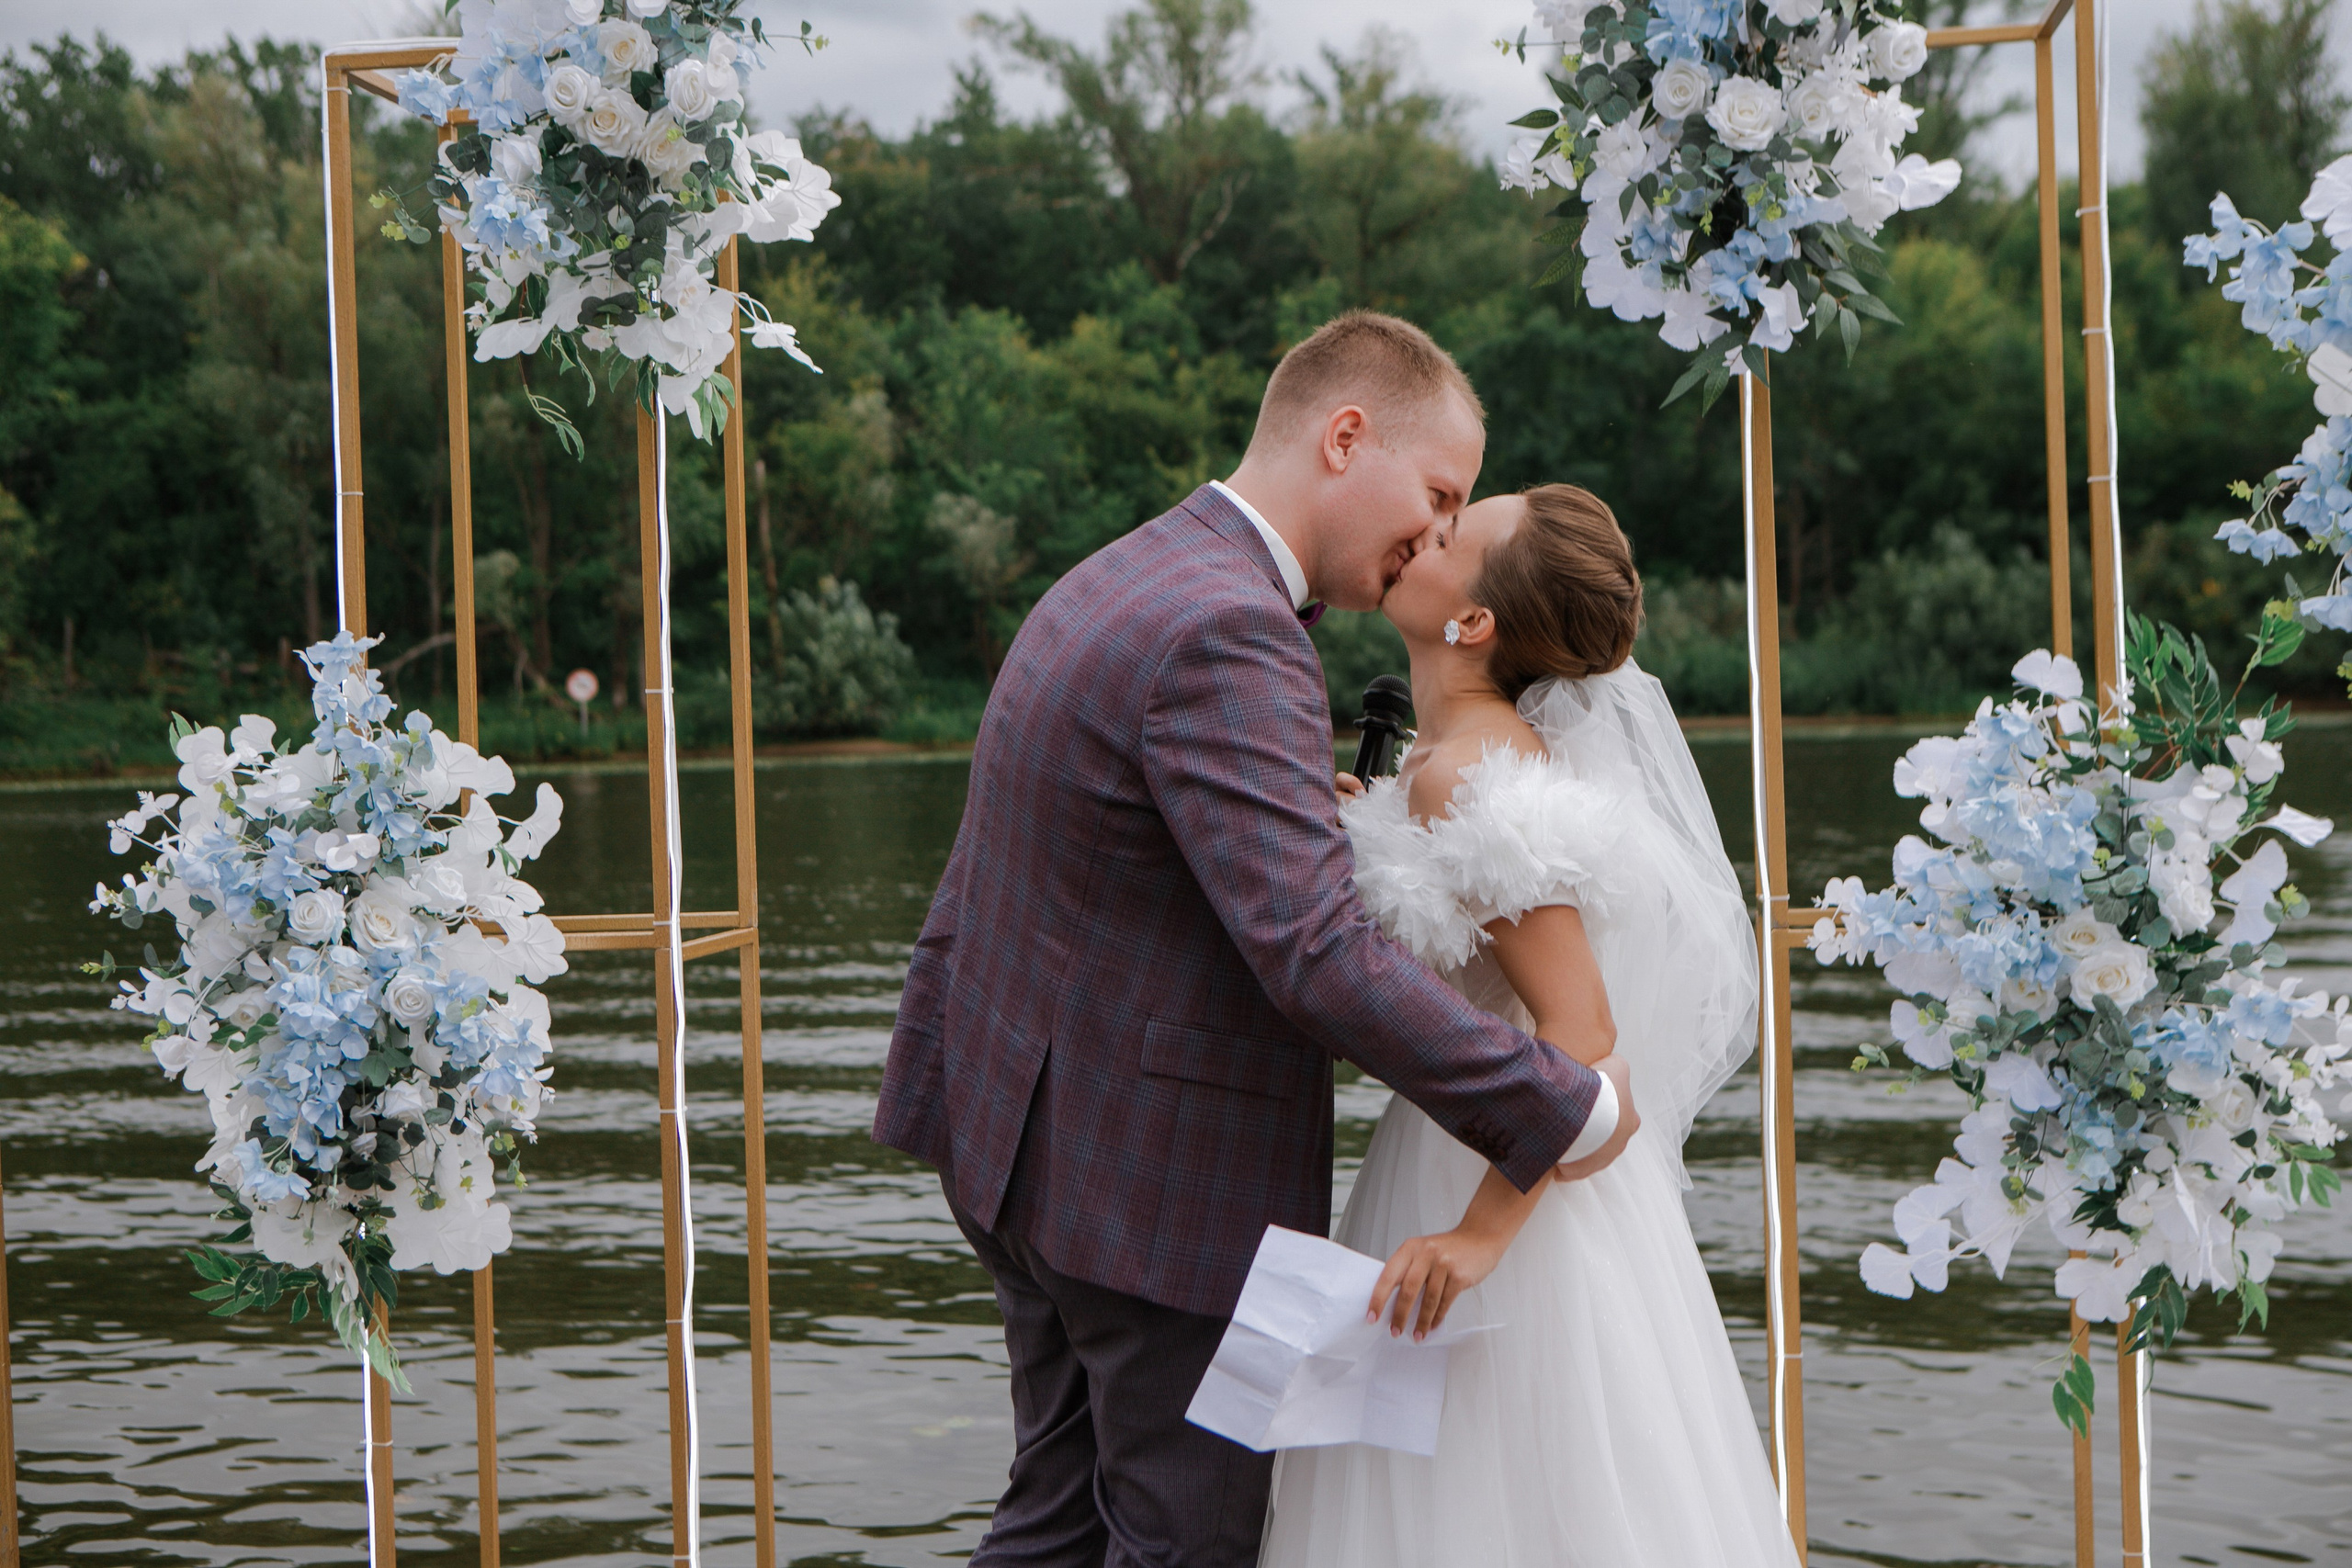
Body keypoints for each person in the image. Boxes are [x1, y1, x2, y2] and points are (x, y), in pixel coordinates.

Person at [871, 312, 1641, 1567]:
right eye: (1436, 494)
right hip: (1152, 1195)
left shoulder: (1136, 568)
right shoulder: (1236, 632)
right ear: (1348, 436)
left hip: (1020, 1141)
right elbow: (1315, 951)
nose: (1433, 536)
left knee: (1057, 1517)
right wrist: (1560, 1103)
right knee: (1186, 1542)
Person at [1258, 484, 1796, 1567]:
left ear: (1472, 624)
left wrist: (1479, 1236)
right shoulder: (1451, 761)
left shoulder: (1470, 774)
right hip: (1466, 1150)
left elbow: (1584, 1038)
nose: (1419, 530)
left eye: (1450, 535)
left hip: (1501, 1197)